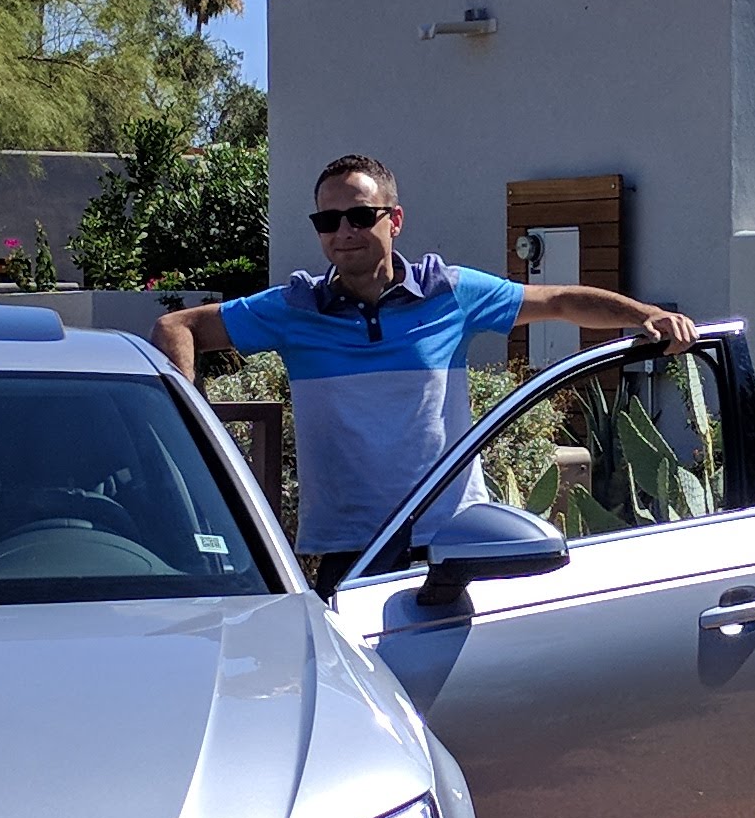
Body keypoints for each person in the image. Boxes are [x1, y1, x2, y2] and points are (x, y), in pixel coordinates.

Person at [152, 151, 697, 590]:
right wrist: (184, 427)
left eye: (360, 216)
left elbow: (557, 301)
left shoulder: (449, 293)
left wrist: (644, 316)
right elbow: (178, 326)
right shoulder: (295, 308)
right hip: (352, 551)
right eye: (328, 220)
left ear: (394, 220)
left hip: (452, 543)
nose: (343, 231)